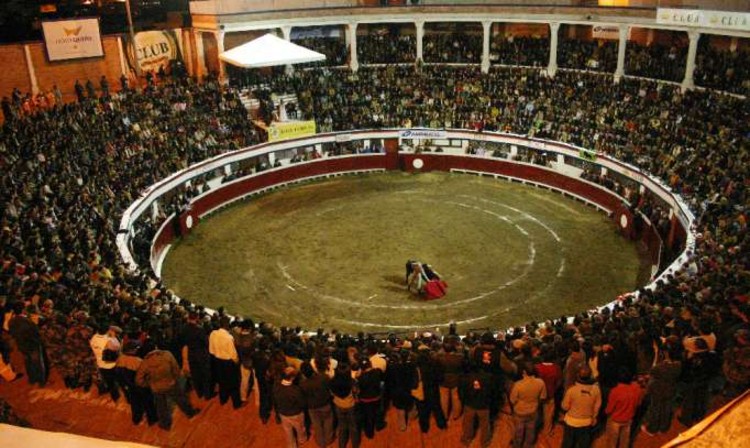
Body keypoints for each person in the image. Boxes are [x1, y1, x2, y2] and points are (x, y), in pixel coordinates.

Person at [136, 340, 199, 430]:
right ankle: (190, 413)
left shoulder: (145, 363)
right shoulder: (167, 355)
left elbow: (139, 380)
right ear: (156, 347)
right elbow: (175, 367)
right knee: (181, 399)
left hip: (156, 388)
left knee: (161, 406)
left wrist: (150, 384)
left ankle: (165, 424)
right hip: (171, 383)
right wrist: (176, 378)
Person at [561, 365, 601, 448]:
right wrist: (594, 417)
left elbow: (564, 406)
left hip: (571, 421)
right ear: (590, 376)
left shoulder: (572, 390)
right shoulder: (596, 390)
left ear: (578, 376)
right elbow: (597, 405)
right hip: (586, 422)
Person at [8, 302, 46, 387]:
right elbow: (36, 332)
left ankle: (32, 379)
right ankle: (41, 381)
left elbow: (12, 333)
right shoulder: (27, 321)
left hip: (21, 345)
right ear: (23, 309)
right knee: (38, 363)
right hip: (32, 344)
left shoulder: (11, 321)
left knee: (28, 362)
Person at [510, 362, 547, 448]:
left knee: (519, 432)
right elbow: (543, 397)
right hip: (533, 411)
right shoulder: (540, 382)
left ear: (524, 372)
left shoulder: (518, 385)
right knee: (531, 431)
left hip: (520, 412)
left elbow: (512, 400)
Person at [604, 368, 643, 448]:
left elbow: (609, 409)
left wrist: (606, 412)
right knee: (625, 440)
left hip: (615, 420)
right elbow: (638, 404)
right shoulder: (637, 389)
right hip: (628, 419)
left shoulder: (615, 391)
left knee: (612, 441)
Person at [209, 316, 242, 408]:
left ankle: (223, 399)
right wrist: (237, 362)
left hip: (217, 361)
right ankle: (236, 403)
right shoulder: (228, 337)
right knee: (234, 383)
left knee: (221, 381)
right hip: (228, 363)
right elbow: (233, 354)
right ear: (227, 325)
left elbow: (211, 350)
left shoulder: (213, 333)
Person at [179, 312, 213, 399]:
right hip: (201, 355)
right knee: (205, 375)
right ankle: (207, 394)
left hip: (191, 354)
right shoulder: (199, 330)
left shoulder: (183, 328)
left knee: (195, 375)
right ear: (196, 318)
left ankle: (199, 393)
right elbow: (206, 343)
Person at [300, 362, 334, 448]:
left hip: (312, 407)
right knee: (328, 422)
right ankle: (329, 439)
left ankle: (320, 441)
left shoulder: (302, 384)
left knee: (317, 424)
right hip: (325, 404)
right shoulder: (324, 377)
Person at [459, 363, 493, 448]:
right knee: (485, 425)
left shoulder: (466, 378)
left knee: (468, 423)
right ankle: (485, 442)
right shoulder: (488, 378)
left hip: (470, 404)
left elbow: (461, 392)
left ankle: (466, 440)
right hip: (484, 405)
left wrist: (464, 401)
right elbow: (492, 392)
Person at [273, 366, 308, 448]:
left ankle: (291, 445)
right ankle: (302, 439)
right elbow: (302, 403)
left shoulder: (276, 386)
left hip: (283, 413)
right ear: (292, 377)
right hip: (295, 414)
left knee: (287, 431)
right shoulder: (295, 390)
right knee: (300, 429)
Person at [330, 362, 361, 448]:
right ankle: (355, 444)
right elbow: (357, 392)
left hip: (338, 405)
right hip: (350, 405)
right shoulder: (352, 382)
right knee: (353, 426)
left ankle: (342, 445)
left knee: (342, 426)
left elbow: (331, 393)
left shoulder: (332, 381)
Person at [90, 323, 122, 402]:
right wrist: (114, 337)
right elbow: (118, 348)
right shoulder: (110, 339)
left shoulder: (93, 338)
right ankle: (116, 396)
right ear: (107, 331)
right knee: (114, 380)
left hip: (100, 363)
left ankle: (112, 394)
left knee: (108, 380)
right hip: (111, 364)